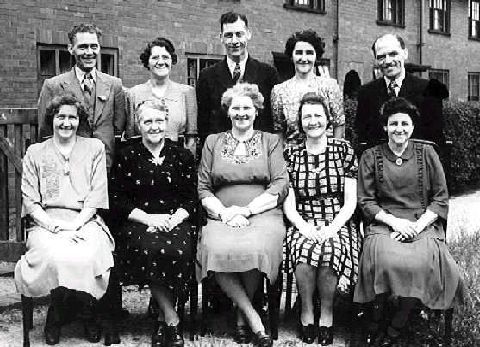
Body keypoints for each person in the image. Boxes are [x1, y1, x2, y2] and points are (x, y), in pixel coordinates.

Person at [354, 97, 463, 346]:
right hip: (384, 223)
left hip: (423, 223)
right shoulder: (371, 156)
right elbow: (366, 201)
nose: (399, 129)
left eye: (405, 123)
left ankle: (398, 322)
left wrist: (417, 226)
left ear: (412, 127)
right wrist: (395, 223)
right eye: (393, 124)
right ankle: (377, 316)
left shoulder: (427, 153)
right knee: (383, 258)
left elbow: (440, 197)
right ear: (385, 127)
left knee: (422, 261)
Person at [15, 94, 114, 345]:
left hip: (85, 220)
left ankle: (87, 311)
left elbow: (97, 194)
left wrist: (76, 224)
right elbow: (30, 200)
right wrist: (52, 225)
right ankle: (56, 314)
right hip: (46, 223)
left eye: (72, 117)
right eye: (61, 117)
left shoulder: (94, 148)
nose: (66, 123)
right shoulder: (36, 152)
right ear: (52, 119)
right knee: (54, 255)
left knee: (92, 252)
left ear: (79, 120)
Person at [197, 83, 289, 347]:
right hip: (221, 213)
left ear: (256, 110)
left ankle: (241, 317)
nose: (241, 113)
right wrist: (225, 213)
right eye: (236, 108)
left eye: (247, 108)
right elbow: (203, 186)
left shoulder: (270, 141)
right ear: (228, 111)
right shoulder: (213, 142)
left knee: (255, 248)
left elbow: (280, 183)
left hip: (262, 212)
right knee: (214, 249)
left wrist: (248, 210)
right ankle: (252, 317)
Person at [110, 100, 196, 347]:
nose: (154, 126)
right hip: (140, 222)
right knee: (151, 249)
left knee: (180, 250)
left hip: (175, 220)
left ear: (167, 123)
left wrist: (175, 218)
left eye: (159, 121)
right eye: (148, 121)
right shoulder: (127, 155)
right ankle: (171, 319)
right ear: (139, 124)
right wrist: (148, 219)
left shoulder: (181, 155)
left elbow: (191, 197)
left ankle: (160, 318)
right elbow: (117, 199)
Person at [283, 93, 361, 345]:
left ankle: (326, 313)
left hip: (338, 217)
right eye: (307, 116)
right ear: (300, 122)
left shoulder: (343, 150)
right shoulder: (290, 155)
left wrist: (332, 227)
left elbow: (351, 200)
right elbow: (289, 203)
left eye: (318, 115)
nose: (313, 121)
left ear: (328, 120)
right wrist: (304, 226)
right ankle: (306, 309)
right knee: (304, 249)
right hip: (302, 217)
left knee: (330, 249)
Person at [37, 23, 126, 170]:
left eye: (94, 46)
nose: (89, 52)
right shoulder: (53, 86)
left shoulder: (114, 85)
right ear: (71, 49)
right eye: (83, 47)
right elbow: (45, 134)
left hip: (105, 167)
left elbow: (118, 129)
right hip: (68, 168)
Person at [196, 11, 280, 146]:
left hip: (257, 152)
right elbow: (203, 123)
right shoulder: (207, 76)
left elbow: (273, 121)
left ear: (248, 34)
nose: (234, 41)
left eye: (239, 34)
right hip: (221, 153)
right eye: (229, 35)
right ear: (221, 38)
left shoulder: (268, 73)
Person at [355, 33, 448, 149]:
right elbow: (363, 138)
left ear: (405, 53)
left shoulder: (429, 90)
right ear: (376, 60)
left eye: (393, 54)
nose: (388, 61)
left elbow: (436, 139)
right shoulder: (366, 93)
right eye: (381, 57)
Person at [125, 37, 197, 154]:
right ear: (147, 62)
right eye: (155, 58)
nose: (161, 62)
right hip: (142, 162)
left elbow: (191, 140)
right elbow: (131, 137)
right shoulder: (133, 94)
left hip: (177, 162)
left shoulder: (186, 93)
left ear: (171, 60)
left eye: (165, 57)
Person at [272, 30, 345, 143]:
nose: (304, 58)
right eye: (299, 53)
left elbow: (339, 124)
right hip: (292, 156)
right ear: (292, 55)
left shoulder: (330, 87)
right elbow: (279, 131)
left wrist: (335, 153)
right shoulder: (279, 91)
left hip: (326, 155)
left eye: (309, 53)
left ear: (316, 56)